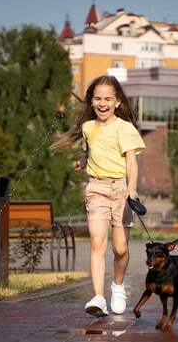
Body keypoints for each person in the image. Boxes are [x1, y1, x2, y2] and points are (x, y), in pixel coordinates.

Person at [50, 75, 146, 317]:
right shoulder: (87, 127)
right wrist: (85, 162)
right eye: (97, 98)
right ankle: (98, 298)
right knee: (97, 240)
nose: (102, 103)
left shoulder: (124, 128)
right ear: (91, 101)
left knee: (121, 249)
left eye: (108, 99)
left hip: (121, 190)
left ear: (118, 102)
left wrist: (132, 185)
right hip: (96, 189)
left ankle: (118, 286)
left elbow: (130, 161)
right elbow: (95, 150)